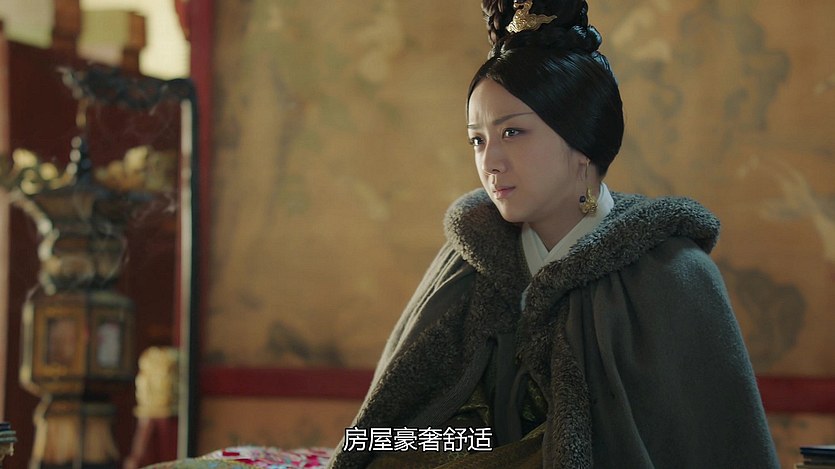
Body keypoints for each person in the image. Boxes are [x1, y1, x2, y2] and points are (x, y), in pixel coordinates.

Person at [328, 0, 779, 467]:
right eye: (477, 139)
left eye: (512, 133)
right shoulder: (467, 263)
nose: (490, 162)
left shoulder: (672, 275)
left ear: (581, 142)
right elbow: (390, 433)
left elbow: (712, 446)